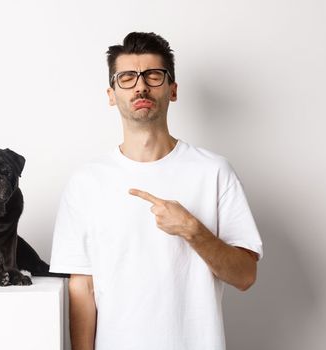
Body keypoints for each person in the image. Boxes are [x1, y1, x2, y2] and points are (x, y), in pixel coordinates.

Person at [48, 32, 263, 350]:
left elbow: (245, 276)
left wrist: (193, 231)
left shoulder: (214, 171)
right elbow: (83, 288)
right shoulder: (86, 182)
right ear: (111, 94)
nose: (140, 86)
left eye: (153, 75)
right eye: (127, 77)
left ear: (172, 90)